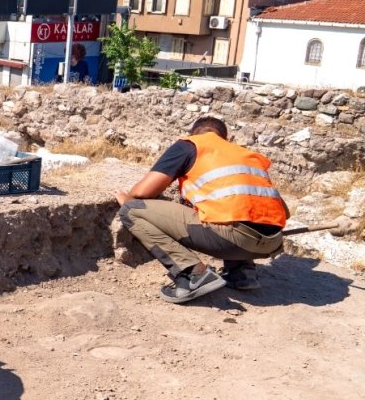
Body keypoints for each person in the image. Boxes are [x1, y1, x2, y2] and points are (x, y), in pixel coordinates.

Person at [114, 117, 288, 304]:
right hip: (272, 243)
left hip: (233, 240)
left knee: (132, 210)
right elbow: (283, 211)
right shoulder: (247, 154)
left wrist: (127, 200)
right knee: (230, 209)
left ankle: (192, 276)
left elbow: (143, 192)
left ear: (194, 133)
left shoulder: (190, 145)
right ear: (225, 137)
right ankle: (242, 273)